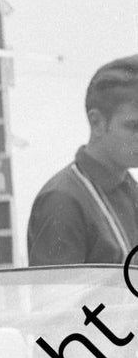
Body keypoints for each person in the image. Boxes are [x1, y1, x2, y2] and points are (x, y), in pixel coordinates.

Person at [28, 56, 138, 265]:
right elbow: (55, 297)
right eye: (133, 126)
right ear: (96, 123)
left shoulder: (129, 189)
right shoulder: (62, 201)